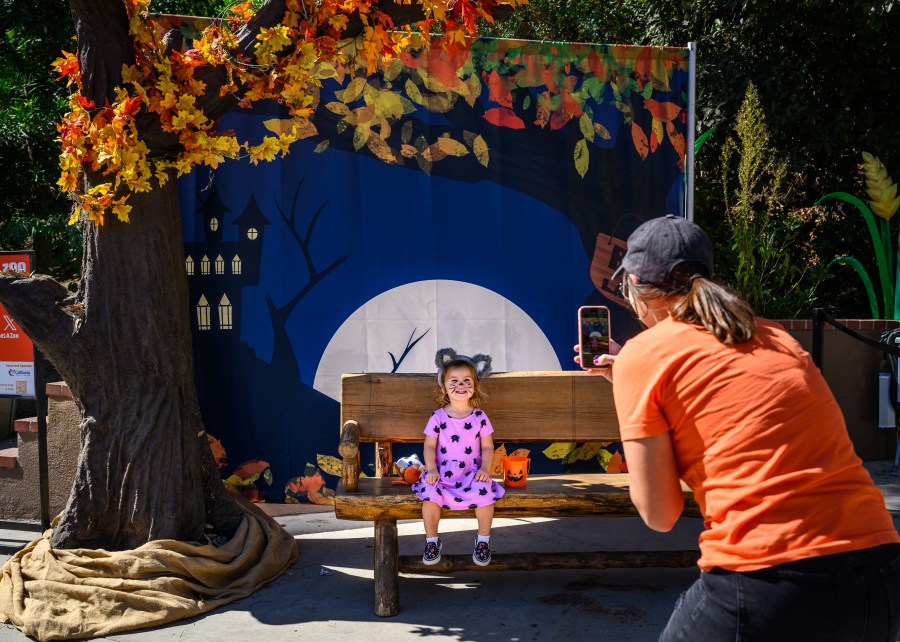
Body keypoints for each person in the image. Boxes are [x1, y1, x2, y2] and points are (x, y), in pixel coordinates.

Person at [577, 214, 900, 641]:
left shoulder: (644, 354)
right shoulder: (776, 336)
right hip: (880, 573)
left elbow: (660, 514)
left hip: (770, 577)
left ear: (635, 285)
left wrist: (635, 396)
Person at [411, 348, 505, 566]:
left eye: (466, 381)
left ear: (474, 387)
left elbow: (488, 447)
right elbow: (430, 445)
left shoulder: (480, 417)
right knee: (430, 496)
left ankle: (483, 540)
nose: (460, 385)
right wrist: (432, 469)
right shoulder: (438, 417)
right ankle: (432, 541)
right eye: (454, 380)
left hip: (471, 474)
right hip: (442, 473)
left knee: (486, 496)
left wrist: (485, 470)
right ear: (444, 387)